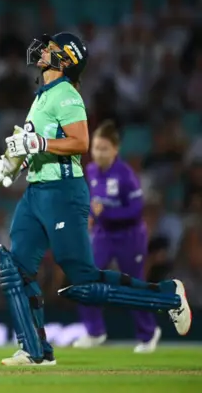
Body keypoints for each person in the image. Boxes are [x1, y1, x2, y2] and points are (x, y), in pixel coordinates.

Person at [0, 32, 191, 366]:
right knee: (15, 270)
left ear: (65, 60)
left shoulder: (66, 93)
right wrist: (14, 164)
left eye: (52, 49)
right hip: (37, 192)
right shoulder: (42, 94)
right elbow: (37, 145)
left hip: (63, 194)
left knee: (84, 280)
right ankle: (35, 351)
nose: (43, 50)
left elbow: (80, 142)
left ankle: (168, 295)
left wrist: (35, 145)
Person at [72, 120, 161, 353]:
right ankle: (94, 331)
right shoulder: (91, 171)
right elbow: (94, 204)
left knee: (133, 287)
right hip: (103, 235)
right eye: (95, 148)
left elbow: (136, 209)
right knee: (84, 279)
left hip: (129, 236)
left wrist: (106, 213)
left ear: (115, 149)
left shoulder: (125, 175)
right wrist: (92, 215)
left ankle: (148, 333)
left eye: (104, 149)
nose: (98, 153)